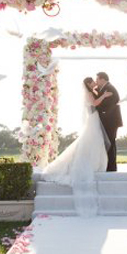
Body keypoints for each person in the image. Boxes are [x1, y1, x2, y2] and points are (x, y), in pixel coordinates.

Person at [42, 77, 112, 216]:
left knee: (93, 143)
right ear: (87, 84)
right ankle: (90, 163)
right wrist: (104, 95)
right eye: (91, 82)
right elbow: (95, 103)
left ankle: (94, 162)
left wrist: (99, 90)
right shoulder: (89, 94)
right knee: (90, 142)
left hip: (93, 119)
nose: (94, 84)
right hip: (92, 119)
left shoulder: (90, 91)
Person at [95, 72, 123, 172]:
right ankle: (110, 166)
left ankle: (111, 167)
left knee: (110, 143)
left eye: (97, 79)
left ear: (103, 79)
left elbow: (110, 105)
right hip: (110, 121)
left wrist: (100, 112)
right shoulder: (104, 88)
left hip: (111, 121)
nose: (96, 81)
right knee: (109, 143)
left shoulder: (110, 89)